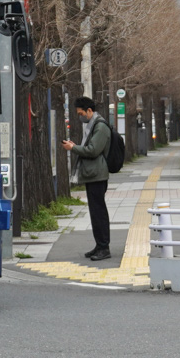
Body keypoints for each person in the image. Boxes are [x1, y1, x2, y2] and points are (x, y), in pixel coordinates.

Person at [63, 97, 113, 261]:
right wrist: (76, 146)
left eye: (81, 113)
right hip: (93, 174)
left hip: (97, 174)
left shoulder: (100, 127)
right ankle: (99, 245)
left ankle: (104, 247)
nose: (80, 117)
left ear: (89, 111)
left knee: (99, 212)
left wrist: (73, 148)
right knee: (95, 212)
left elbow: (92, 150)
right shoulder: (93, 126)